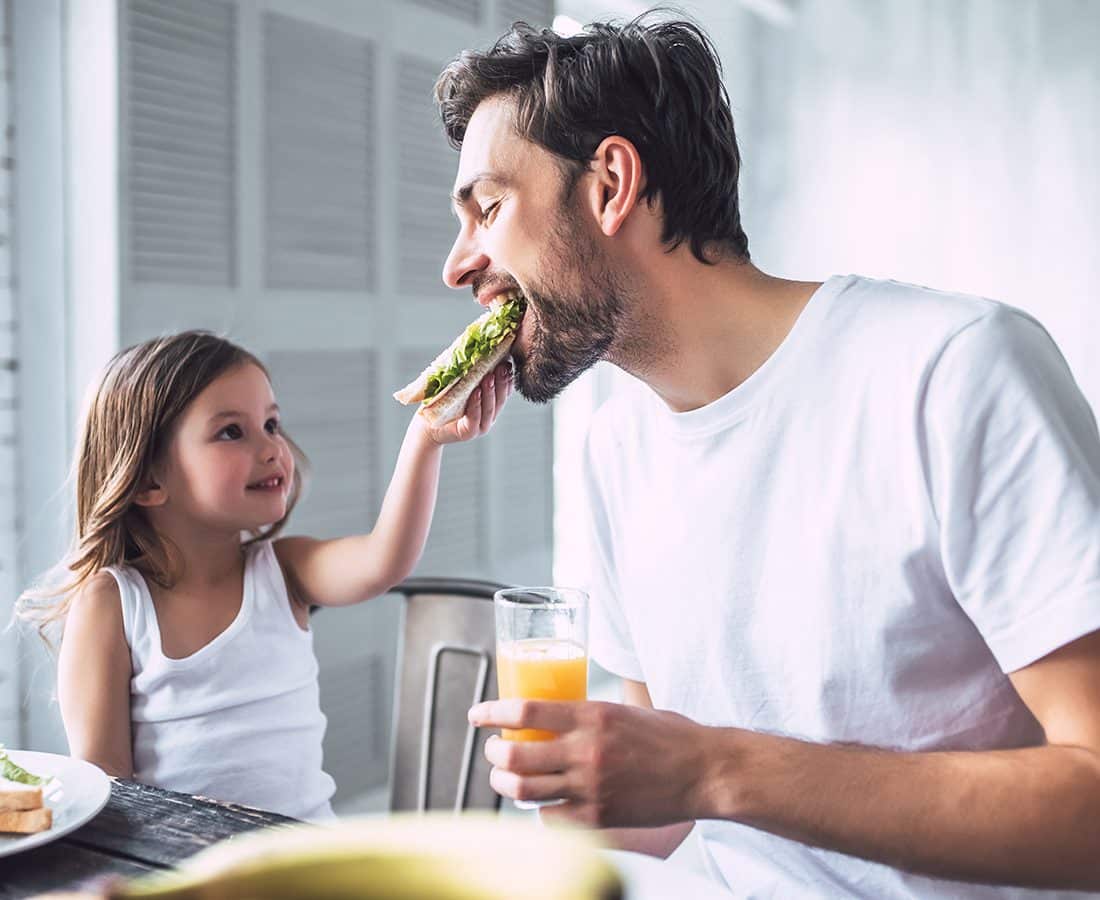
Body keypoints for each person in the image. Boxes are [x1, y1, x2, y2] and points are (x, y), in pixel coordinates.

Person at [436, 15, 1100, 898]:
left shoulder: (956, 370)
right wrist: (587, 784)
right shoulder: (615, 451)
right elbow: (672, 813)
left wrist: (717, 766)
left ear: (610, 184)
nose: (457, 265)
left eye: (488, 207)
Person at [17, 330, 511, 821]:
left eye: (272, 424)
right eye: (232, 431)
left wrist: (426, 437)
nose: (273, 448)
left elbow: (384, 559)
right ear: (149, 479)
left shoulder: (285, 570)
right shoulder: (112, 603)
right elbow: (108, 790)